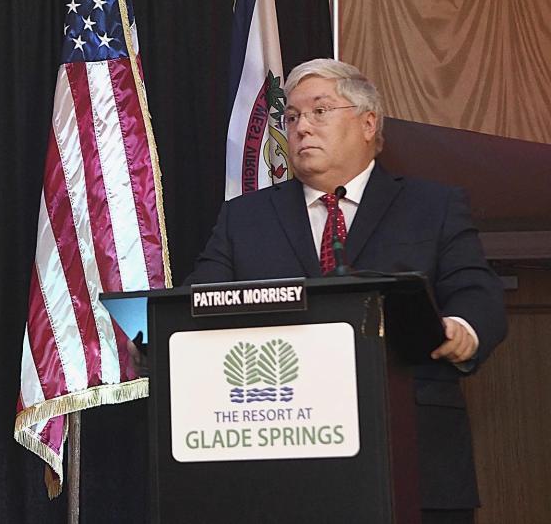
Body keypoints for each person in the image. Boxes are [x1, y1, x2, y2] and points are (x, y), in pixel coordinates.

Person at [187, 58, 506, 523]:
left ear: (368, 122)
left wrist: (461, 329)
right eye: (292, 117)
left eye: (320, 111)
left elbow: (478, 291)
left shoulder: (432, 205)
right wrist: (156, 339)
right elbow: (197, 301)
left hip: (411, 458)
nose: (301, 128)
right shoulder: (245, 218)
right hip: (277, 462)